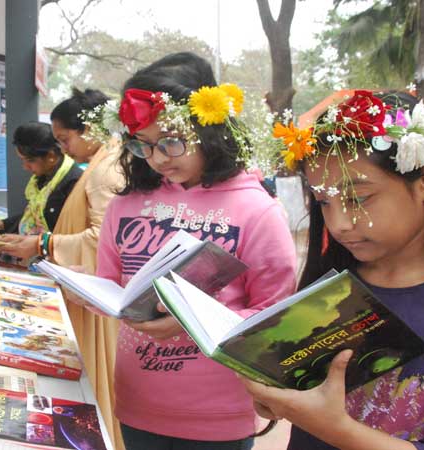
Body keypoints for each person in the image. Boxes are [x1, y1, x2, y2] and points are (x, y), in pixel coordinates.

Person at [239, 90, 424, 449]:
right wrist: (277, 397)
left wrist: (334, 427)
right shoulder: (330, 290)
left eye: (358, 199)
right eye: (324, 202)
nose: (339, 223)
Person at [88, 52, 297, 449]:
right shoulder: (125, 205)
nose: (157, 159)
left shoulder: (256, 210)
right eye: (143, 146)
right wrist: (96, 296)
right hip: (136, 401)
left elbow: (275, 315)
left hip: (218, 413)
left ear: (209, 129)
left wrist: (191, 321)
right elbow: (109, 284)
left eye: (171, 141)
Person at [0, 88, 126, 448]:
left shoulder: (103, 171)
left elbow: (103, 240)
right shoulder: (101, 163)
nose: (63, 148)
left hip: (92, 291)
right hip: (83, 285)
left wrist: (44, 244)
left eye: (65, 139)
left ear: (89, 130)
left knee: (94, 379)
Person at [0, 122, 82, 235]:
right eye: (22, 160)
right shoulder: (42, 179)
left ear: (51, 156)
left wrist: (37, 245)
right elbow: (33, 216)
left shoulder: (74, 183)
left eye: (30, 160)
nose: (25, 167)